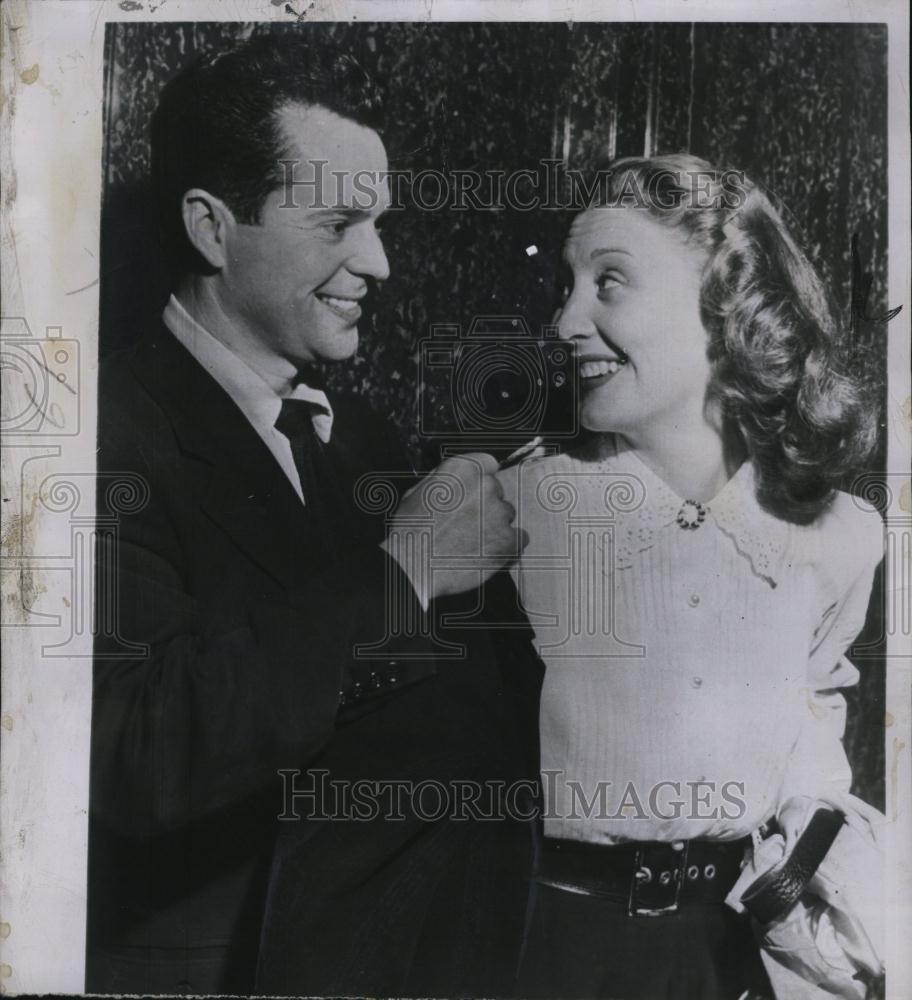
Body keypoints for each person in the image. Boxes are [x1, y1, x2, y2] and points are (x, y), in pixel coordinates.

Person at [88, 34, 541, 995]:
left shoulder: (367, 440)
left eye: (378, 224)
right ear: (212, 229)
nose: (377, 262)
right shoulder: (99, 440)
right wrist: (405, 574)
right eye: (339, 223)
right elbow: (134, 753)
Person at [499, 153, 884, 998]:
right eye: (568, 284)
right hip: (542, 951)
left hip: (732, 958)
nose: (565, 321)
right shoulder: (518, 509)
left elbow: (814, 737)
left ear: (729, 307)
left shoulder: (838, 538)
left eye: (608, 284)